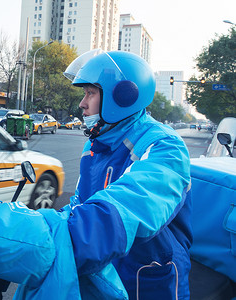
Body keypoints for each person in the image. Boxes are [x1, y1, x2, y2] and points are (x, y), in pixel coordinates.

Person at [64, 50, 192, 299]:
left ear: (122, 96)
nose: (82, 103)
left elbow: (129, 209)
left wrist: (48, 238)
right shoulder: (94, 146)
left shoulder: (164, 146)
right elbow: (77, 205)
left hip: (148, 282)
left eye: (90, 93)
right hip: (102, 276)